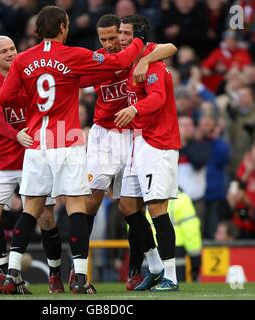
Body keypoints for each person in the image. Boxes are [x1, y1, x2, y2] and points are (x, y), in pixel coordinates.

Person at [0, 5, 145, 294]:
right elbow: (119, 62)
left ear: (38, 29)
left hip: (37, 143)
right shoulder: (74, 55)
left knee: (31, 209)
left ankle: (10, 274)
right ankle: (79, 278)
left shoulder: (23, 60)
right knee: (77, 206)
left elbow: (5, 97)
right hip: (66, 141)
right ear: (63, 28)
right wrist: (139, 40)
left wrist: (30, 104)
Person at [80, 13, 177, 291]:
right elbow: (74, 76)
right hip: (107, 134)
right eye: (109, 38)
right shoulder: (100, 59)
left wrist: (146, 59)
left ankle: (139, 271)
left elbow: (171, 47)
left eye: (121, 35)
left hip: (138, 136)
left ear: (135, 37)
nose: (115, 42)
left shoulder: (145, 56)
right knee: (98, 202)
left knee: (137, 205)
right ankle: (79, 271)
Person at [0, 35, 64, 295]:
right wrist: (16, 134)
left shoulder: (31, 77)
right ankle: (4, 277)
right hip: (2, 158)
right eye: (3, 51)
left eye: (12, 48)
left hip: (34, 157)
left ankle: (55, 274)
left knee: (46, 216)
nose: (10, 53)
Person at [115, 15, 182, 291]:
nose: (121, 38)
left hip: (158, 142)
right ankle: (153, 265)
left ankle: (171, 276)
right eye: (120, 32)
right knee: (127, 205)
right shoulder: (134, 58)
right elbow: (170, 47)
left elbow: (158, 98)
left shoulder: (152, 61)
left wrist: (134, 109)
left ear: (139, 36)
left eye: (126, 33)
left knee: (157, 208)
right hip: (138, 141)